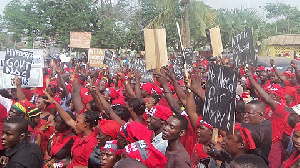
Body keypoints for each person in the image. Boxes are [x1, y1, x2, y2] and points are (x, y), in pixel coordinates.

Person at [44, 91, 98, 167]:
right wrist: (55, 103)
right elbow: (68, 119)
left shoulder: (92, 142)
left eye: (78, 122)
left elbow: (90, 166)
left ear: (85, 124)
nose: (75, 124)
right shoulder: (80, 136)